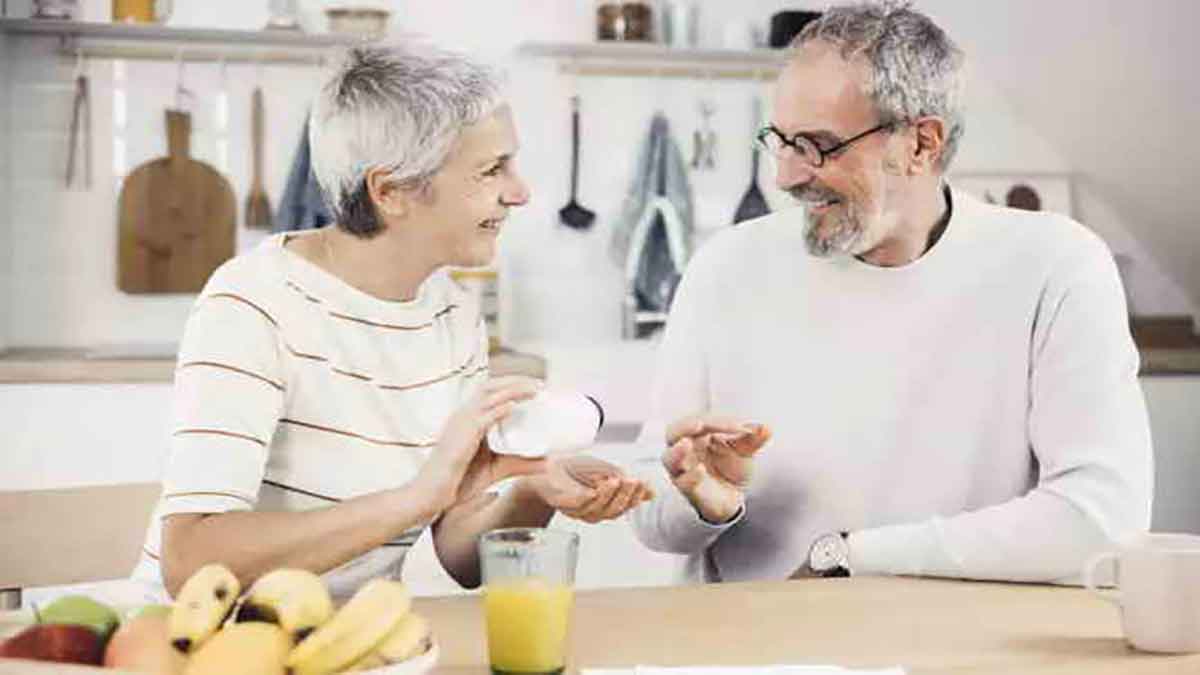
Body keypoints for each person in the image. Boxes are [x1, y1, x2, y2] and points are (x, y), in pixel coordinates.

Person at [629, 1, 1152, 584]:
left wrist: (851, 557)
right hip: (753, 630)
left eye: (819, 145)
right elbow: (649, 513)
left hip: (962, 633)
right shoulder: (726, 267)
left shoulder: (1054, 265)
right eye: (782, 141)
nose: (786, 176)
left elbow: (1102, 518)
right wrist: (703, 503)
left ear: (922, 144)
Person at [131, 44, 650, 600]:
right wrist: (415, 499)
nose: (520, 193)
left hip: (360, 637)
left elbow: (461, 554)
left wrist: (532, 488)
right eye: (491, 169)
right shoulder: (253, 302)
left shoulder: (452, 313)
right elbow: (191, 560)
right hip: (205, 636)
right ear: (391, 191)